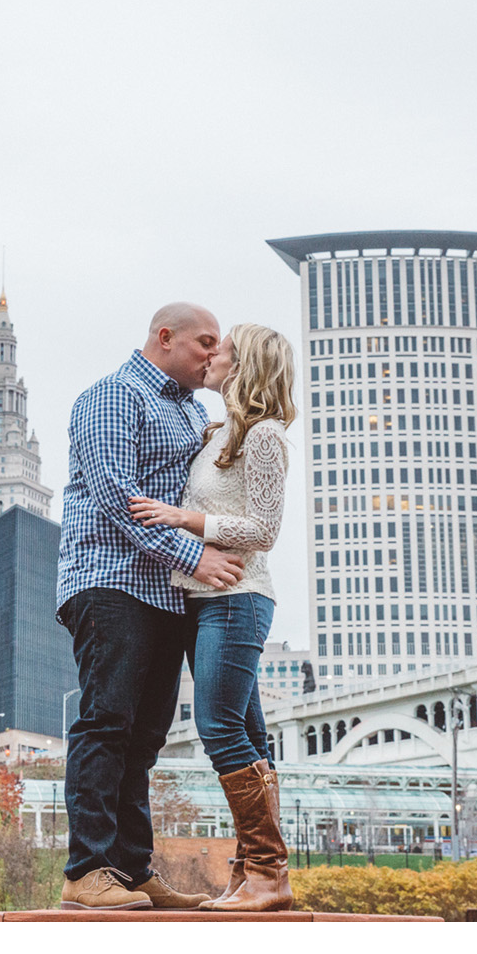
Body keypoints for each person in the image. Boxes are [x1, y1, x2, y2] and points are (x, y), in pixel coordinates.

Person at [55, 302, 248, 911]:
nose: (214, 357)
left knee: (144, 740)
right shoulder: (113, 397)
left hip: (167, 592)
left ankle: (132, 871)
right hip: (110, 580)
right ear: (166, 338)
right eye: (205, 343)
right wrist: (194, 558)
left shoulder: (194, 411)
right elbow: (117, 495)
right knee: (106, 723)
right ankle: (86, 872)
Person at [130, 321, 297, 912]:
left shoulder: (267, 435)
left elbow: (264, 531)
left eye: (223, 348)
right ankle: (253, 875)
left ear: (244, 362)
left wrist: (185, 521)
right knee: (248, 735)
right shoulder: (218, 432)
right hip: (202, 603)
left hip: (238, 597)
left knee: (221, 728)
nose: (212, 354)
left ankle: (268, 876)